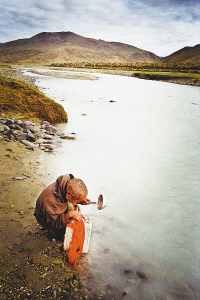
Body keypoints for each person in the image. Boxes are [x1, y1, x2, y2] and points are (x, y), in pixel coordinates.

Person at [34, 173, 91, 241]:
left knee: (72, 209)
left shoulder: (66, 185)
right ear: (68, 197)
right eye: (78, 200)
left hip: (53, 210)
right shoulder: (53, 202)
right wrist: (69, 215)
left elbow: (72, 198)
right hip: (46, 218)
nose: (80, 201)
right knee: (60, 231)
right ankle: (53, 234)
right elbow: (54, 222)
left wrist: (81, 200)